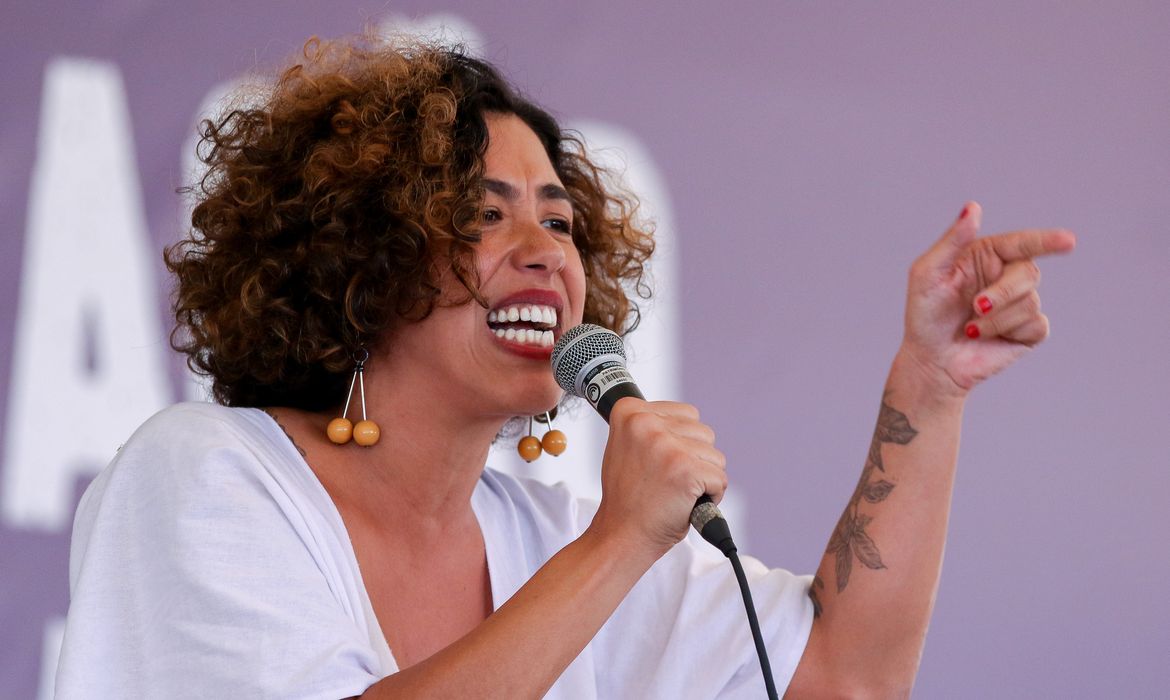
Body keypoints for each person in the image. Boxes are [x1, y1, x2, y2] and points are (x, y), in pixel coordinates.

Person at [54, 35, 1075, 698]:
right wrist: (621, 538)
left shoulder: (541, 539)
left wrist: (929, 385)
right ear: (357, 259)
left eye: (560, 221)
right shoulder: (202, 473)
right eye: (482, 215)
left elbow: (844, 675)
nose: (545, 251)